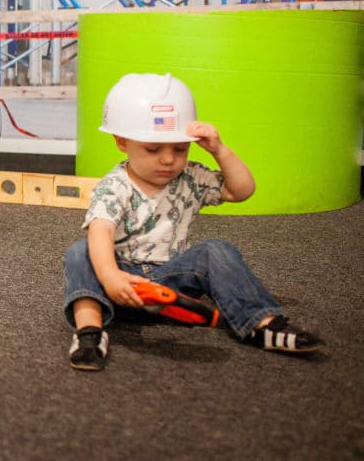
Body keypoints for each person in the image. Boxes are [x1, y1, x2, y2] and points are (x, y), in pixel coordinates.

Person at [63, 73, 323, 372]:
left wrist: (219, 150)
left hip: (172, 284)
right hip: (122, 285)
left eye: (179, 149)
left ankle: (263, 324)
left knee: (215, 248)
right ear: (122, 141)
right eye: (153, 149)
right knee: (80, 251)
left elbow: (241, 191)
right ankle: (89, 333)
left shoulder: (192, 178)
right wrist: (110, 277)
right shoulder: (114, 186)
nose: (168, 160)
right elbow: (101, 229)